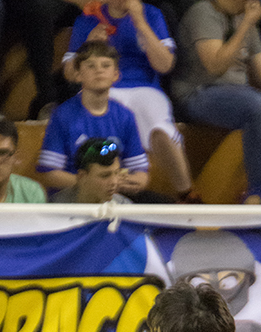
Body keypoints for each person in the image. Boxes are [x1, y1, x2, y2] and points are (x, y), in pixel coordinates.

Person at [171, 0, 261, 193]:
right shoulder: (204, 12)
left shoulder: (245, 18)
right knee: (258, 107)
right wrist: (246, 24)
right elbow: (215, 66)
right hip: (198, 93)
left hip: (239, 93)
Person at [61, 1, 197, 201]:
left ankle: (187, 194)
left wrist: (140, 22)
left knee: (161, 131)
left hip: (145, 88)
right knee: (104, 134)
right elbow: (70, 74)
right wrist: (88, 44)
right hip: (103, 88)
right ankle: (104, 190)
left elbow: (165, 65)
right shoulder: (88, 18)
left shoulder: (151, 14)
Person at [37, 40, 149, 196]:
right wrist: (95, 184)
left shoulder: (125, 116)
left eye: (106, 65)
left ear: (116, 74)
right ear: (78, 74)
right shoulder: (62, 115)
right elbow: (49, 174)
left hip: (113, 194)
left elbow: (141, 174)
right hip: (73, 197)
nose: (99, 71)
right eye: (91, 66)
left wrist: (128, 182)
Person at [50, 134, 133, 202]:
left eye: (117, 173)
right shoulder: (56, 209)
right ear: (82, 176)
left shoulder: (124, 208)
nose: (114, 182)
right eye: (105, 176)